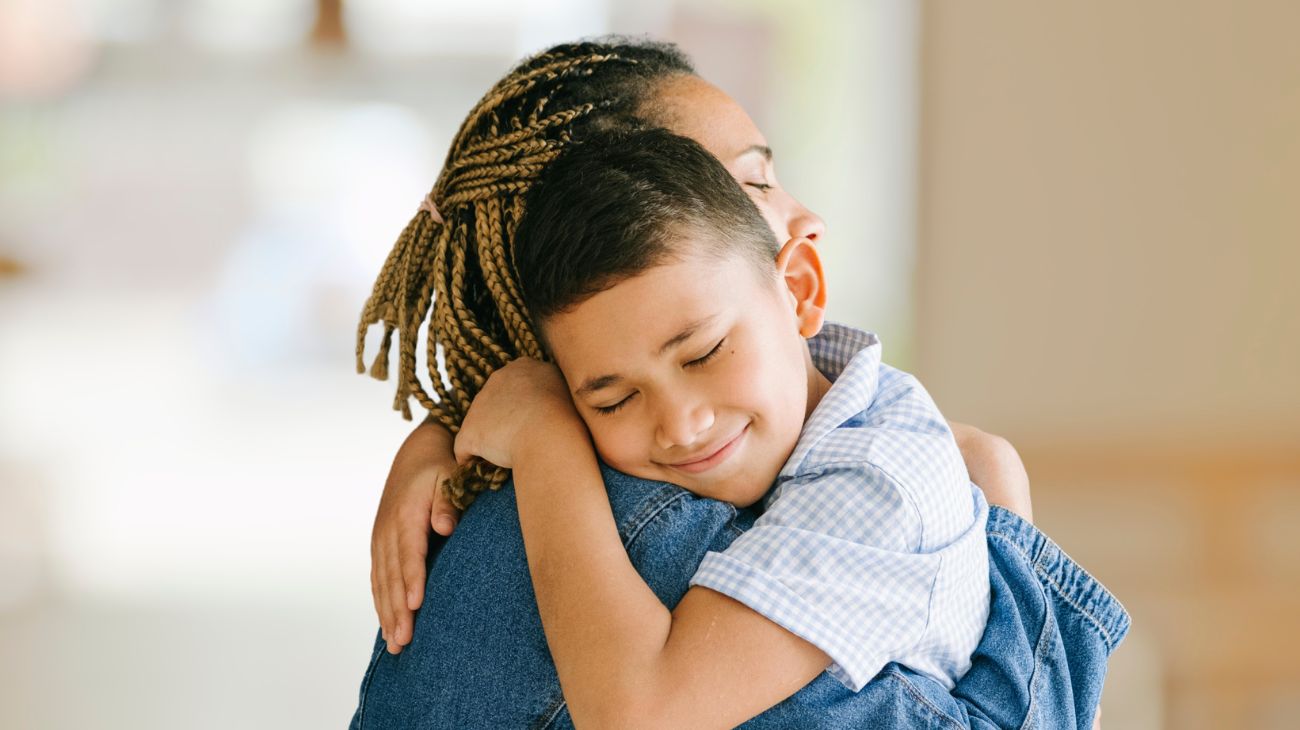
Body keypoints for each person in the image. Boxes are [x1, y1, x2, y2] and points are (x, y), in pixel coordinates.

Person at [351, 37, 1127, 729]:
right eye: (750, 186)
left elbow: (953, 459)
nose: (804, 215)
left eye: (703, 351)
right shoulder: (624, 531)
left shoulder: (822, 455)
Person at [449, 126, 992, 716]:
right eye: (615, 401)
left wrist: (544, 439)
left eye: (703, 354)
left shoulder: (876, 482)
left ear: (799, 290)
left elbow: (636, 716)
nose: (680, 426)